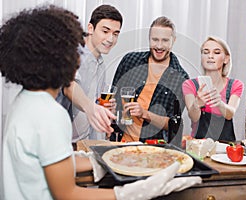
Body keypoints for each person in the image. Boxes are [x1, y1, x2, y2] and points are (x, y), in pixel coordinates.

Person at [0, 5, 202, 200]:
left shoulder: (24, 102)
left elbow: (49, 163)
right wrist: (133, 193)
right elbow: (66, 193)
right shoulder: (52, 114)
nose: (79, 58)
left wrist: (102, 158)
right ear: (57, 58)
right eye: (73, 51)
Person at [111, 16, 189, 144]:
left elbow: (172, 124)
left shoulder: (181, 78)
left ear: (173, 41)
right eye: (155, 39)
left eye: (165, 40)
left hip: (152, 149)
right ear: (149, 39)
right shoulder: (130, 61)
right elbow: (113, 99)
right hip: (120, 142)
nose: (159, 46)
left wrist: (145, 114)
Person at [56, 4, 122, 145]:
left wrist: (105, 107)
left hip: (84, 142)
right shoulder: (74, 54)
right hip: (63, 141)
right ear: (90, 28)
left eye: (115, 34)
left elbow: (95, 101)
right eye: (105, 31)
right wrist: (91, 107)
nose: (111, 39)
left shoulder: (101, 63)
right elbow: (69, 86)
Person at [182, 36, 244, 141]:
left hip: (225, 148)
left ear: (226, 59)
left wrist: (219, 103)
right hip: (199, 146)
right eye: (206, 52)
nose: (210, 56)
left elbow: (229, 114)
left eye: (216, 52)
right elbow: (193, 117)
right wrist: (197, 104)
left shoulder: (235, 85)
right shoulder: (189, 84)